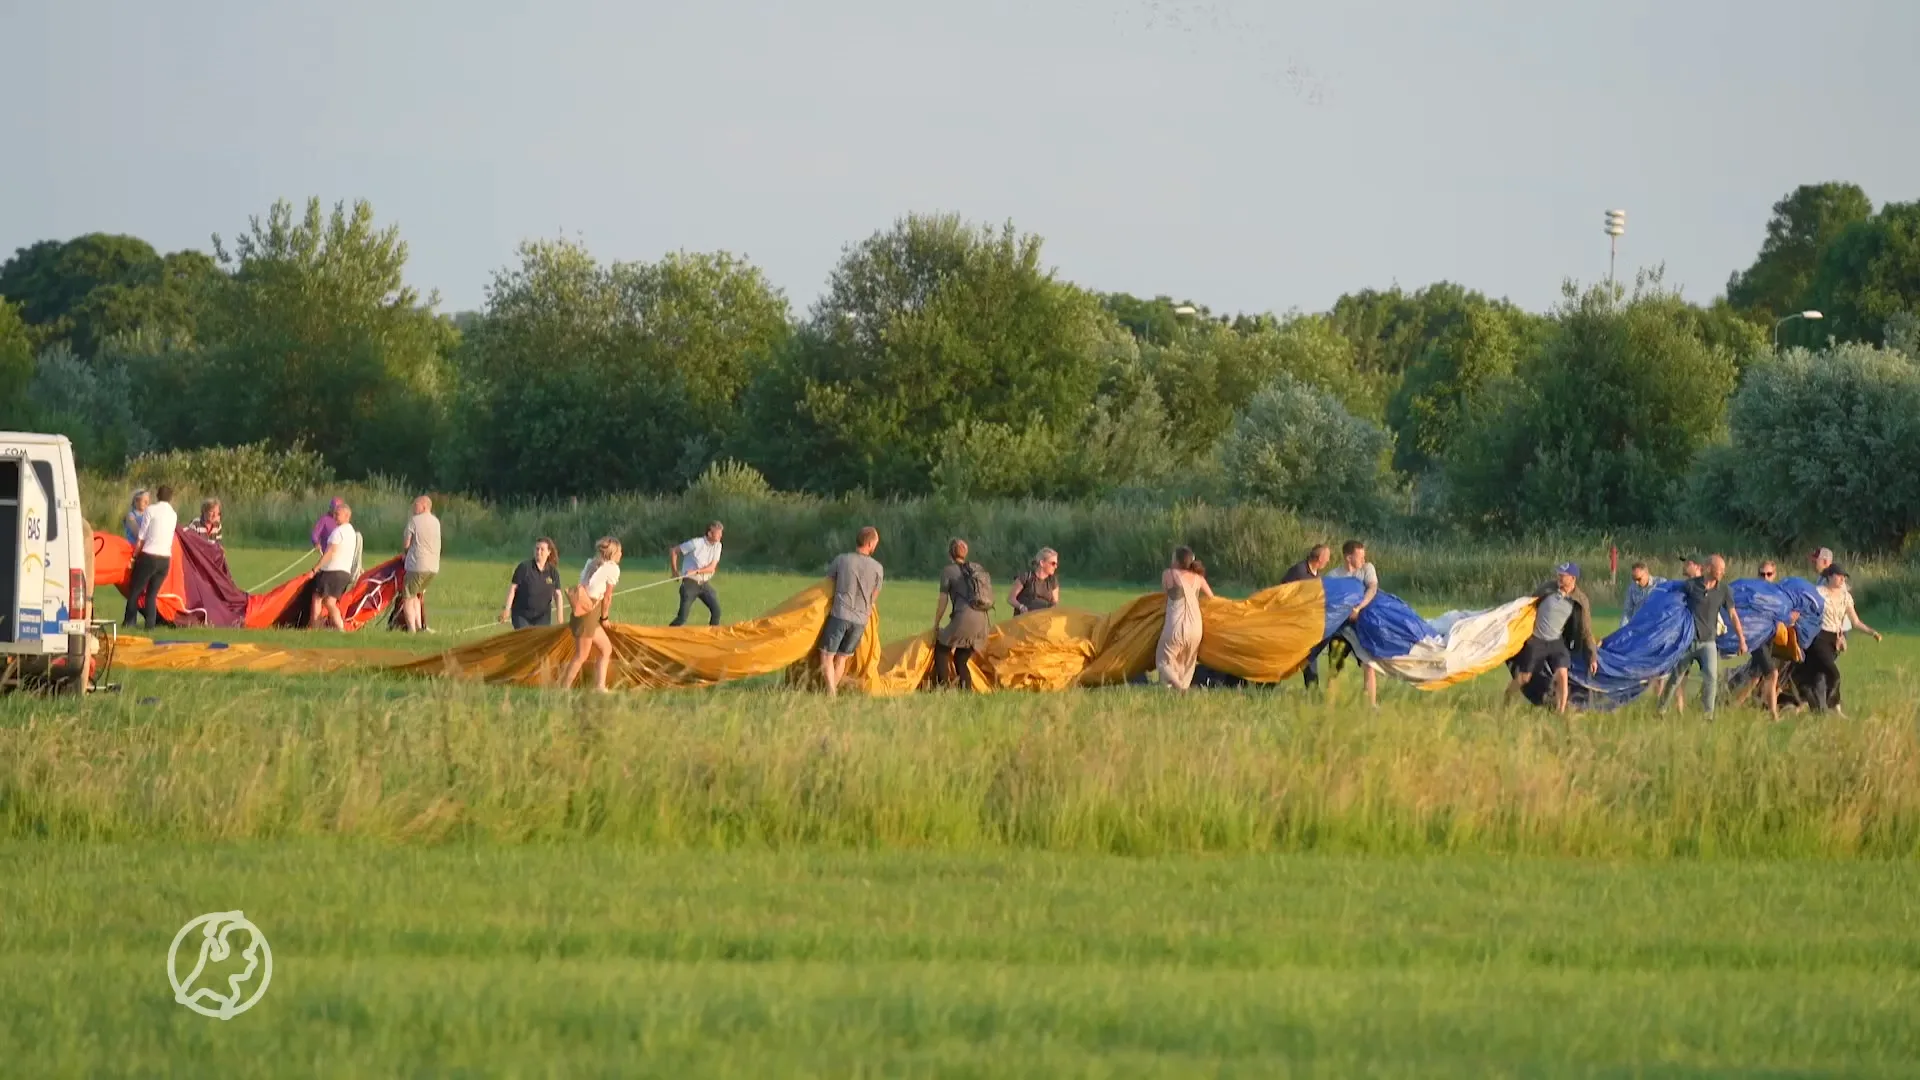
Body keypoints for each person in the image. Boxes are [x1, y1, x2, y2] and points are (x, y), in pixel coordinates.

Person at [1659, 553, 1747, 716]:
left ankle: (1708, 715)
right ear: (1708, 568)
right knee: (1675, 678)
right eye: (1719, 569)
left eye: (1723, 569)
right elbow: (1674, 603)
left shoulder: (1724, 590)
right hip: (1688, 642)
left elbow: (1733, 615)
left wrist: (1742, 639)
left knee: (1711, 678)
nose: (1722, 572)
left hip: (1709, 643)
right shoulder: (1691, 586)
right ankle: (1661, 710)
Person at [1506, 562, 1599, 713]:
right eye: (1559, 575)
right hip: (1537, 639)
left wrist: (1593, 656)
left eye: (1563, 576)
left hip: (1556, 641)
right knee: (1525, 677)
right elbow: (1528, 604)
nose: (1559, 578)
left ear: (1573, 579)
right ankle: (1508, 696)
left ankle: (1560, 711)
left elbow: (1586, 630)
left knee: (1562, 674)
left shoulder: (1580, 600)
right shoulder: (1547, 588)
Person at [1804, 565, 1882, 717]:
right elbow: (1807, 613)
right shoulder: (1818, 593)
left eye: (1844, 577)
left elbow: (1855, 621)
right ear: (1830, 576)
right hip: (1819, 637)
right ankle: (1831, 704)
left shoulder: (1845, 597)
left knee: (1821, 675)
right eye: (1839, 576)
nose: (1842, 579)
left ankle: (1819, 710)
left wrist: (1872, 632)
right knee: (1834, 674)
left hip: (1834, 640)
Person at [819, 527, 883, 698]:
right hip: (860, 621)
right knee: (842, 658)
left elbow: (827, 585)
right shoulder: (878, 568)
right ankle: (831, 693)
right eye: (875, 544)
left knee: (826, 655)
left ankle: (831, 693)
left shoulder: (841, 560)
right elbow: (874, 597)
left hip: (840, 615)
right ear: (869, 544)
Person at [559, 537, 624, 692]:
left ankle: (599, 687)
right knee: (581, 655)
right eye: (620, 551)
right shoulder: (612, 568)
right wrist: (605, 618)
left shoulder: (591, 562)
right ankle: (563, 688)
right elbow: (607, 597)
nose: (621, 553)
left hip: (583, 610)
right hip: (588, 613)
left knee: (606, 648)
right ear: (614, 553)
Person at [1323, 539, 1381, 707]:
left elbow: (1372, 588)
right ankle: (1330, 707)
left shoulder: (1367, 569)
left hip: (1361, 628)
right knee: (1334, 667)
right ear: (1349, 558)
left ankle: (1371, 705)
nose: (1363, 560)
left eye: (1364, 556)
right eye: (1360, 556)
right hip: (1340, 629)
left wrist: (1358, 608)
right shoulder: (1334, 576)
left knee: (1369, 665)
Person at [931, 539, 992, 690]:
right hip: (982, 621)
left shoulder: (948, 571)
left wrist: (937, 623)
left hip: (964, 618)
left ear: (950, 554)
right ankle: (966, 691)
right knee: (961, 657)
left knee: (942, 648)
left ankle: (943, 687)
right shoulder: (976, 570)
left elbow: (943, 601)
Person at [1155, 546, 1214, 691]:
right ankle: (1179, 693)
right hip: (1196, 628)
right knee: (1186, 665)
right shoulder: (1198, 578)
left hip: (1175, 626)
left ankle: (1180, 688)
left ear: (1176, 561)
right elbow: (1212, 598)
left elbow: (1166, 593)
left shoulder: (1169, 574)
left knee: (1163, 661)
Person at [123, 484, 177, 629]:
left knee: (135, 590)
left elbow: (141, 536)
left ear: (157, 496)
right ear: (170, 498)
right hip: (165, 559)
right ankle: (150, 625)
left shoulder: (151, 510)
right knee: (152, 594)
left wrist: (135, 556)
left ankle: (129, 622)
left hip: (150, 556)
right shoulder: (173, 514)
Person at [1282, 544, 1333, 688]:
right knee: (1287, 658)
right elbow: (1282, 593)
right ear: (1320, 558)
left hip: (1308, 624)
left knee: (1310, 656)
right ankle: (1266, 685)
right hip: (1292, 622)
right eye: (1327, 557)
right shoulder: (1298, 571)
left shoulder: (1318, 576)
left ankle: (1313, 691)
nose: (1328, 561)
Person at [311, 502, 361, 632]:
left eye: (337, 514)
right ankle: (340, 629)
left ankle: (315, 627)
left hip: (332, 571)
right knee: (330, 602)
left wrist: (316, 568)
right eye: (334, 513)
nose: (334, 516)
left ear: (346, 515)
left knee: (317, 597)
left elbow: (330, 552)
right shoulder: (351, 532)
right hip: (345, 573)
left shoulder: (338, 532)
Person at [668, 522, 725, 627]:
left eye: (721, 533)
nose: (721, 535)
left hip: (704, 583)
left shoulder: (718, 546)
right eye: (718, 533)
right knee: (682, 618)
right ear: (709, 534)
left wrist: (697, 571)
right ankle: (665, 635)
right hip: (690, 583)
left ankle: (712, 637)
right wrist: (675, 572)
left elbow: (712, 567)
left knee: (716, 612)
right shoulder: (696, 543)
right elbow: (674, 551)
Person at [499, 538, 564, 629]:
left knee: (540, 642)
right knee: (525, 640)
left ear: (549, 552)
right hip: (522, 615)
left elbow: (558, 595)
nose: (539, 552)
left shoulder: (552, 572)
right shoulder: (524, 568)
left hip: (543, 617)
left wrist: (560, 619)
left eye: (542, 549)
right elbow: (513, 588)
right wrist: (507, 609)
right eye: (537, 549)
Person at [400, 495, 442, 633]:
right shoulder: (436, 522)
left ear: (424, 506)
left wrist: (406, 554)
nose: (413, 508)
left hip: (417, 565)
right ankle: (419, 627)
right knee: (416, 595)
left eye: (416, 505)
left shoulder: (414, 521)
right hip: (433, 567)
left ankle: (411, 629)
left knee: (407, 596)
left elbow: (406, 544)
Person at [1008, 548, 1061, 615]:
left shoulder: (1053, 581)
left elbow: (1054, 603)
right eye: (1053, 563)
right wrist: (1021, 607)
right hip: (1024, 619)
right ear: (1042, 563)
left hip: (1043, 620)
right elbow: (1011, 598)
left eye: (1056, 564)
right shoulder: (1026, 577)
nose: (1056, 567)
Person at [1620, 561, 1665, 627]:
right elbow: (1627, 611)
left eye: (1639, 579)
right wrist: (1622, 629)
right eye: (1634, 579)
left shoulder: (1661, 583)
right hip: (1638, 626)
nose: (1636, 582)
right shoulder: (1632, 588)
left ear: (1647, 574)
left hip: (1655, 626)